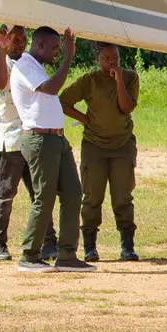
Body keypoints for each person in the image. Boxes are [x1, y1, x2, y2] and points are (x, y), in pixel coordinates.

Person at [9, 26, 92, 272]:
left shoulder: (37, 66)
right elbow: (52, 88)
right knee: (44, 198)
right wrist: (68, 56)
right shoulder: (24, 66)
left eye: (60, 48)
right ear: (40, 45)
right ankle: (29, 255)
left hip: (56, 139)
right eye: (55, 47)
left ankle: (66, 254)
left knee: (73, 193)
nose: (58, 52)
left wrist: (64, 56)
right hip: (39, 139)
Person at [61, 42, 140, 262]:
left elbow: (126, 107)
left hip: (122, 145)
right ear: (98, 59)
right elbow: (63, 101)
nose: (111, 62)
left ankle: (127, 246)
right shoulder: (90, 80)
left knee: (123, 196)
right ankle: (90, 246)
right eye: (106, 58)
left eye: (115, 57)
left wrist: (119, 81)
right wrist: (83, 119)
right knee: (92, 196)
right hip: (94, 146)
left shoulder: (130, 77)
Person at [0, 25, 55, 264]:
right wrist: (3, 53)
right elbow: (0, 84)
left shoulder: (29, 62)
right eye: (15, 39)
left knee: (40, 192)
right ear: (6, 39)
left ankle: (49, 241)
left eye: (24, 38)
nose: (20, 43)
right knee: (5, 194)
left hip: (31, 135)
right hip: (10, 137)